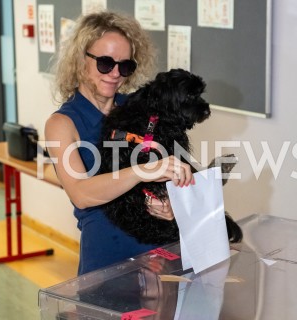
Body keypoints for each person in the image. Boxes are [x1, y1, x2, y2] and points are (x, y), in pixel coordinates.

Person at [45, 11, 194, 275]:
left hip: (158, 252)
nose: (115, 74)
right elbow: (81, 193)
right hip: (107, 256)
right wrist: (142, 171)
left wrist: (172, 202)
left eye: (125, 66)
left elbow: (170, 170)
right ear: (81, 61)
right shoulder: (62, 124)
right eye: (105, 63)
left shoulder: (140, 111)